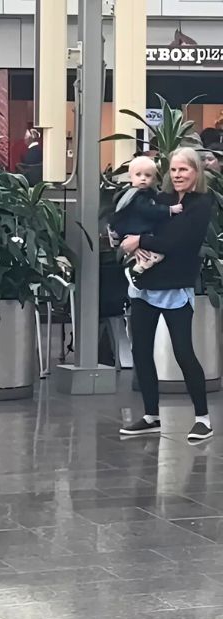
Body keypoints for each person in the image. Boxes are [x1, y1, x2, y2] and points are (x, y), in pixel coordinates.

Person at [119, 147, 216, 441]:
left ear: (196, 172)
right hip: (145, 286)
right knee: (141, 352)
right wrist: (125, 235)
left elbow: (178, 241)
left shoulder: (202, 203)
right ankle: (151, 416)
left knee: (184, 352)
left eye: (183, 170)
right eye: (173, 170)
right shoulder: (161, 200)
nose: (177, 175)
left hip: (176, 287)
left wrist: (140, 240)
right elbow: (133, 217)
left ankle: (203, 418)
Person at [108, 156, 182, 283]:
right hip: (136, 230)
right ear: (130, 176)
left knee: (149, 253)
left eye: (147, 175)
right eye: (138, 174)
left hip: (135, 232)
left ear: (153, 178)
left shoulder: (140, 194)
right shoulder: (136, 196)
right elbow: (148, 210)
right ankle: (137, 268)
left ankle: (139, 267)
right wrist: (169, 210)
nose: (143, 178)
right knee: (151, 251)